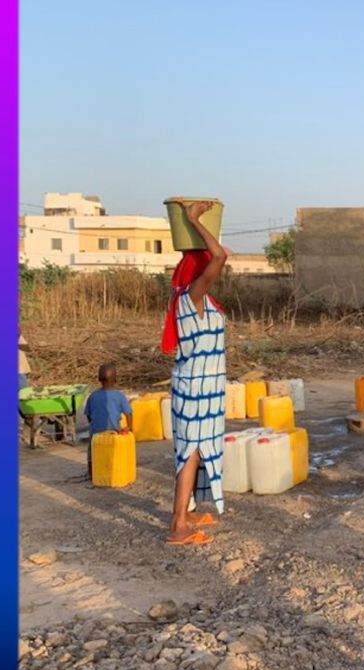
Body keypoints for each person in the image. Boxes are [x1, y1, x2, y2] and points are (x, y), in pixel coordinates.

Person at [161, 201, 229, 546]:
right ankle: (177, 526)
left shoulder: (193, 299)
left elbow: (216, 257)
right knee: (189, 454)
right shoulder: (192, 296)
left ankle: (183, 514)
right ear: (197, 274)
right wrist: (192, 220)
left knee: (194, 451)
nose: (213, 275)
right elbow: (220, 256)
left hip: (202, 390)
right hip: (195, 391)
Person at [83, 362, 132, 477]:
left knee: (92, 451)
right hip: (114, 431)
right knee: (116, 451)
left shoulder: (93, 396)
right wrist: (129, 427)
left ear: (99, 379)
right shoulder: (119, 396)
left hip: (96, 432)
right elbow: (129, 413)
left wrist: (93, 423)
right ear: (115, 379)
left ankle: (91, 473)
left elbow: (88, 414)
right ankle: (116, 471)